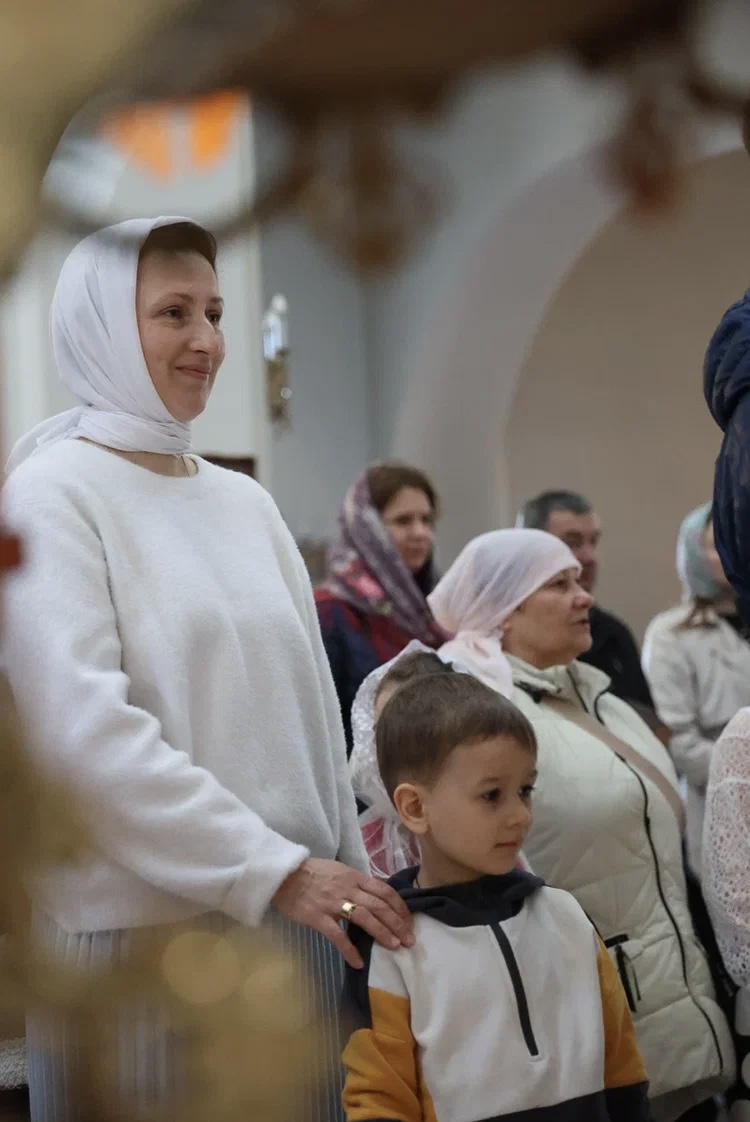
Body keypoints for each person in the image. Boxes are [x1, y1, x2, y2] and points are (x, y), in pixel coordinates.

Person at [1, 217, 413, 1122]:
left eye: (216, 312)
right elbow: (82, 736)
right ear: (103, 328)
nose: (207, 341)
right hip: (140, 943)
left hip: (297, 924)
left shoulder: (245, 500)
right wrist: (272, 869)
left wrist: (345, 875)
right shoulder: (52, 492)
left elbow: (313, 707)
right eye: (173, 312)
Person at [426, 529, 734, 1122]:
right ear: (505, 609)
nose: (585, 595)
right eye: (559, 584)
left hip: (670, 1003)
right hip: (586, 1026)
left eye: (579, 579)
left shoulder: (605, 701)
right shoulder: (482, 718)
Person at [341, 672, 651, 1122]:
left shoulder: (566, 916)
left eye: (525, 790)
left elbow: (623, 1069)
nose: (520, 816)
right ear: (414, 807)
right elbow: (379, 1099)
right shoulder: (391, 944)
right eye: (492, 795)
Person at [643, 503, 750, 879]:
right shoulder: (671, 633)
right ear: (693, 553)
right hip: (720, 801)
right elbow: (678, 739)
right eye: (718, 543)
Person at [315, 462, 444, 752]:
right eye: (403, 521)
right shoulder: (330, 612)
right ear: (366, 529)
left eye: (426, 520)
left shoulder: (435, 609)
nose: (420, 533)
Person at [517, 490, 654, 712]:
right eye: (572, 543)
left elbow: (649, 719)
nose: (589, 557)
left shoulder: (613, 634)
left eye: (593, 542)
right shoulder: (505, 637)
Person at [349, 645, 455, 878]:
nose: (392, 745)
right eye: (381, 730)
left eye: (411, 730)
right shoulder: (362, 844)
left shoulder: (474, 826)